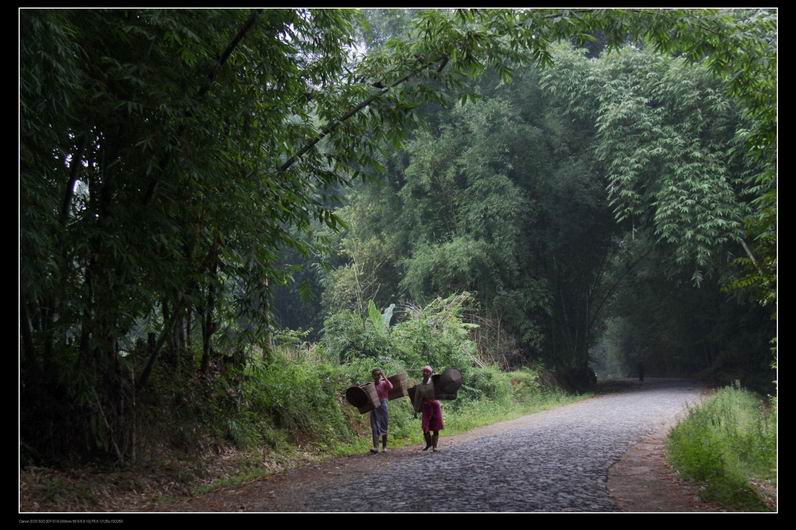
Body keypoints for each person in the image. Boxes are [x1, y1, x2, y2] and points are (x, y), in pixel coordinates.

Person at [413, 365, 444, 452]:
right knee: (425, 426)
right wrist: (416, 408)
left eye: (427, 372)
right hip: (426, 406)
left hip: (435, 405)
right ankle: (428, 443)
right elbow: (417, 398)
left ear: (430, 373)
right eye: (424, 371)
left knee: (436, 426)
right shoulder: (419, 386)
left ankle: (435, 446)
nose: (425, 373)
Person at [369, 368, 393, 454]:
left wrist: (384, 377)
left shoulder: (384, 383)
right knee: (374, 427)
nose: (377, 376)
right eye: (375, 374)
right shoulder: (370, 386)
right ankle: (376, 447)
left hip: (383, 406)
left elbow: (391, 387)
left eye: (379, 374)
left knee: (384, 425)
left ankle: (385, 446)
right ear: (372, 375)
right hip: (374, 407)